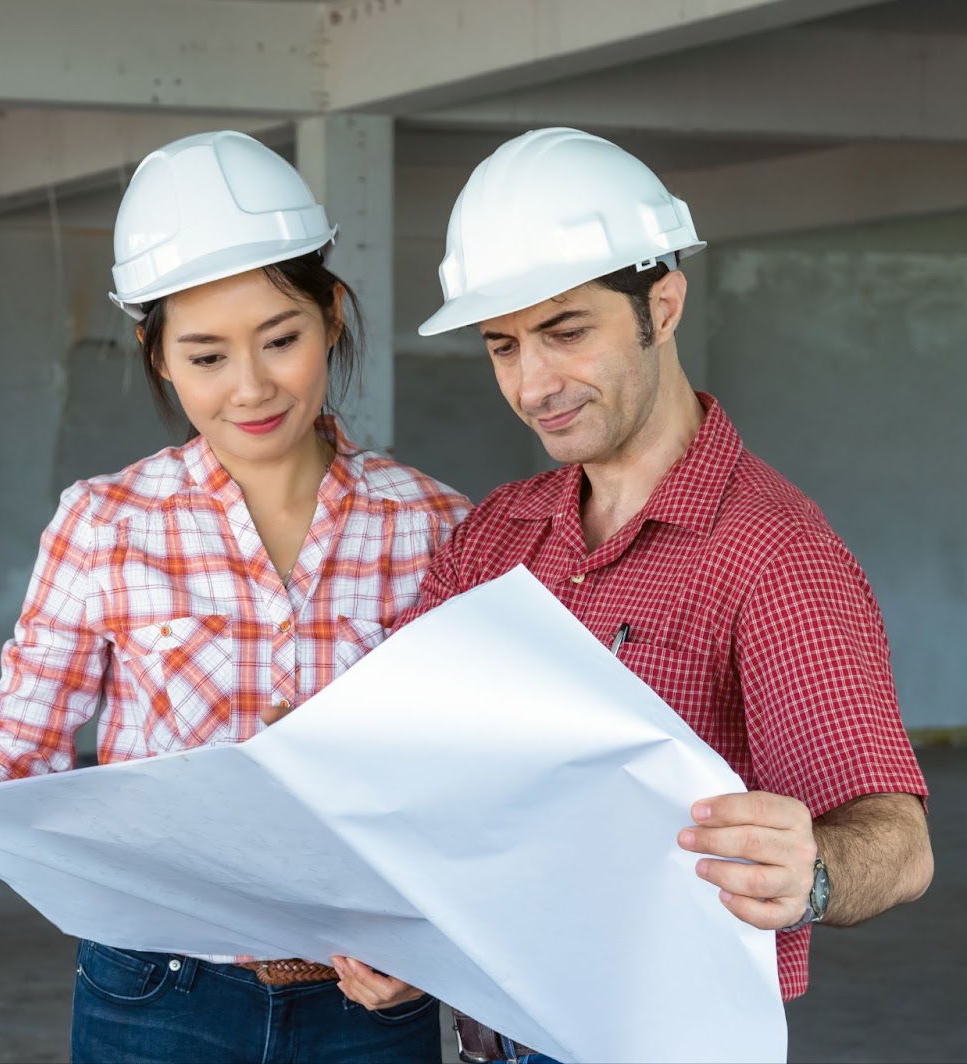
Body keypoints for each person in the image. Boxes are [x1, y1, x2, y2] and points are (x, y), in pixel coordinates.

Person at [0, 130, 470, 1061]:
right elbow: (15, 763)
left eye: (281, 340)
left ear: (332, 316)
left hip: (372, 1001)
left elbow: (466, 784)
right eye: (207, 356)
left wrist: (434, 936)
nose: (251, 387)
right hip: (157, 996)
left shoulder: (435, 524)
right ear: (158, 355)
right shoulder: (105, 522)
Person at [328, 128, 933, 1064]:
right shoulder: (496, 535)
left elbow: (898, 843)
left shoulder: (774, 553)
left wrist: (813, 874)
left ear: (663, 302)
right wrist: (406, 930)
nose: (534, 385)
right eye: (503, 346)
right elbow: (414, 768)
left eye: (567, 332)